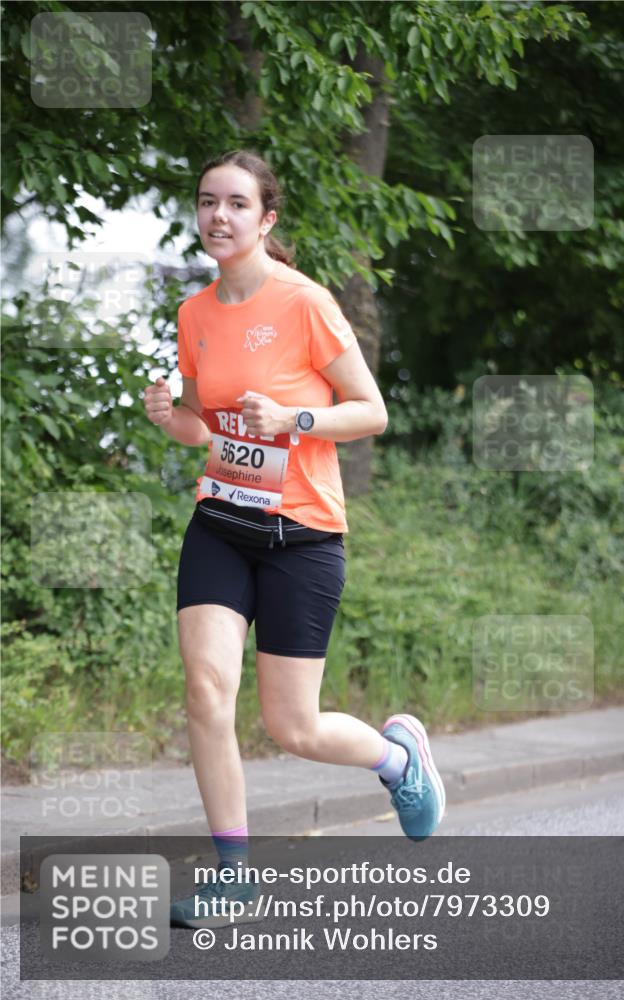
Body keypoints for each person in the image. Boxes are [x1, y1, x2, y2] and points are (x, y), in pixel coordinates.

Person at [143, 150, 445, 929]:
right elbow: (204, 428)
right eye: (207, 201)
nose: (218, 215)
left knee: (293, 727)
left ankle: (397, 759)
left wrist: (294, 419)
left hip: (302, 534)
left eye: (236, 203)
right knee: (206, 690)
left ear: (265, 217)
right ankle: (233, 875)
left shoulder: (305, 302)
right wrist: (171, 417)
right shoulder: (194, 314)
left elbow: (371, 411)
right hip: (221, 522)